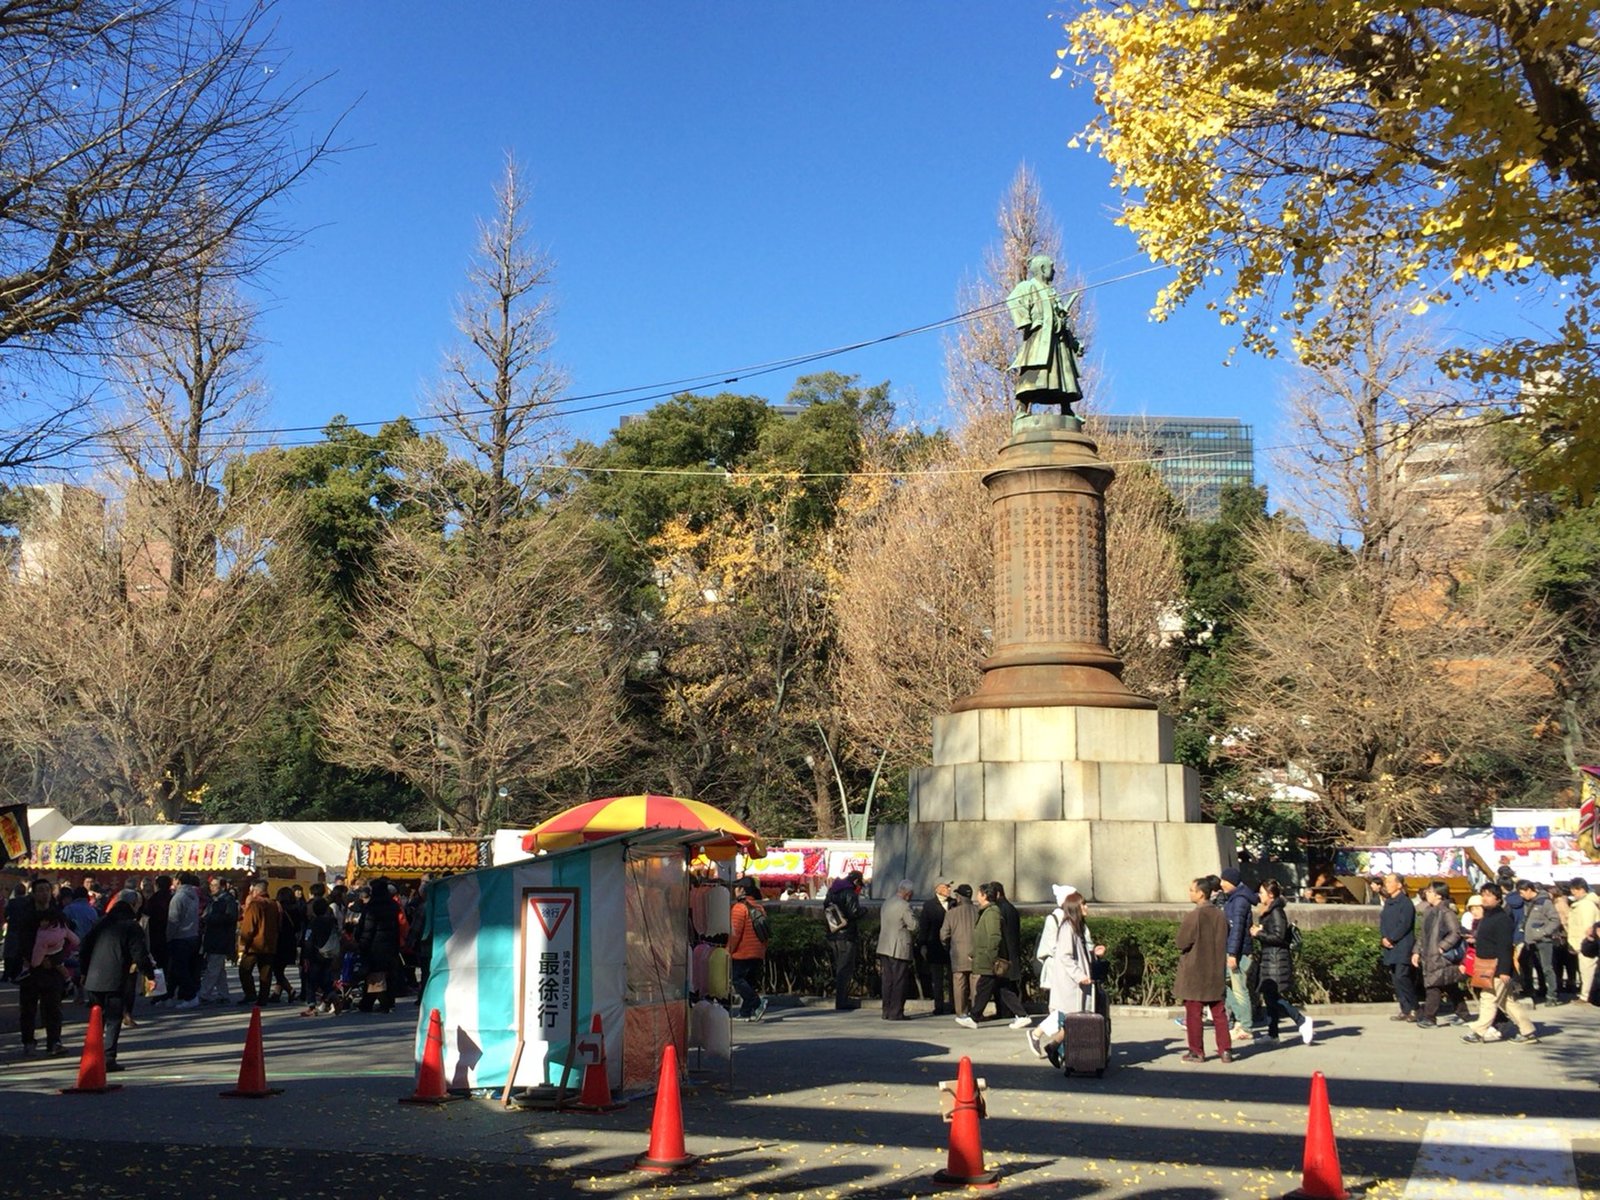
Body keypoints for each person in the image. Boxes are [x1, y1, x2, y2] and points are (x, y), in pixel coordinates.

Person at [78, 889, 157, 1072]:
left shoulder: (101, 922)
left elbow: (85, 948)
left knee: (97, 1019)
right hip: (115, 977)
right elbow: (139, 953)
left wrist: (83, 972)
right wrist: (150, 975)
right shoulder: (131, 926)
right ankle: (108, 1057)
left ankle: (91, 1055)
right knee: (114, 1019)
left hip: (93, 978)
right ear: (133, 905)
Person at [1026, 889, 1103, 1062]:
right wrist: (1079, 975)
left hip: (1076, 983)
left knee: (1073, 1020)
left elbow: (1079, 953)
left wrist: (1094, 953)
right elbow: (1065, 956)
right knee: (1074, 1019)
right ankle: (1059, 1048)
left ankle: (1055, 1047)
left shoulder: (1077, 926)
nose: (1086, 907)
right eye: (1083, 904)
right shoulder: (1067, 927)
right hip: (1070, 984)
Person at [1005, 254, 1083, 415]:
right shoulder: (1028, 286)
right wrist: (1028, 320)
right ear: (1042, 269)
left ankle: (1066, 409)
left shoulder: (1052, 292)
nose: (1054, 271)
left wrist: (1074, 343)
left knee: (1062, 375)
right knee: (1032, 374)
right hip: (1039, 339)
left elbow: (1060, 318)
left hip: (1058, 340)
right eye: (1051, 267)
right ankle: (1022, 408)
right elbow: (1013, 300)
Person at [1461, 883, 1538, 1044]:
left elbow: (1504, 946)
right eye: (1483, 894)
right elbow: (1491, 939)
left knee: (1488, 998)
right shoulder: (1488, 916)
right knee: (1507, 1002)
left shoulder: (1502, 918)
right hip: (1485, 963)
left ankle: (1478, 1031)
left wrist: (1504, 970)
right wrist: (1476, 939)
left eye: (1489, 895)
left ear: (1498, 898)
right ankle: (1528, 1030)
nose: (1485, 898)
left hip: (1496, 966)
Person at [1176, 876, 1234, 1063]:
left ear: (1201, 893)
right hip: (1215, 970)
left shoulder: (1195, 916)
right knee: (1219, 1013)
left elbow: (1182, 942)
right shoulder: (1220, 915)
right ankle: (1225, 1050)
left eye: (1192, 890)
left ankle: (1196, 1051)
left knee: (1193, 1013)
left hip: (1195, 971)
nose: (1190, 893)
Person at [958, 882, 1031, 1029]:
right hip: (987, 957)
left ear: (985, 895)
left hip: (990, 960)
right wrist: (974, 953)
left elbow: (994, 936)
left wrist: (991, 957)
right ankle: (1022, 1015)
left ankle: (974, 1017)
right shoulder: (987, 911)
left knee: (984, 987)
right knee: (1002, 988)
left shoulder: (992, 912)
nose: (977, 896)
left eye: (979, 893)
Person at [1251, 880, 1315, 1044]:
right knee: (1269, 995)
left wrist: (1259, 933)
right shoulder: (1268, 911)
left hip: (1276, 959)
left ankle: (1301, 1020)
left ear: (1270, 895)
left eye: (1262, 892)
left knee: (1273, 998)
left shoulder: (1277, 912)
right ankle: (1273, 1034)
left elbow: (1279, 937)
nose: (1260, 895)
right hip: (1269, 958)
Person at [1412, 880, 1469, 1027]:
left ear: (1439, 895)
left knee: (1433, 985)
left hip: (1440, 955)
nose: (1427, 893)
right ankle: (1463, 1013)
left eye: (1430, 891)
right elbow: (1422, 935)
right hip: (1429, 954)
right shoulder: (1428, 911)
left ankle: (1430, 1018)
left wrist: (1442, 947)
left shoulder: (1446, 912)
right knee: (1449, 985)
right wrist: (1416, 951)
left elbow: (1455, 932)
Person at [24, 906, 76, 1056]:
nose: (44, 893)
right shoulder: (28, 915)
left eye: (46, 890)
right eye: (40, 890)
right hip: (37, 970)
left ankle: (53, 1041)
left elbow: (67, 942)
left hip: (49, 969)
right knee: (30, 1008)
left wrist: (50, 959)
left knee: (52, 1007)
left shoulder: (53, 923)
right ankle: (30, 1040)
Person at [1218, 867, 1259, 1041]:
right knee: (1228, 986)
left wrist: (1232, 953)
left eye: (1223, 881)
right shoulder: (1234, 899)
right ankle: (1240, 1022)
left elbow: (1237, 929)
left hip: (1240, 952)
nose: (1221, 884)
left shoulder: (1240, 901)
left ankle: (1246, 1026)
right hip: (1235, 951)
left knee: (1239, 989)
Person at [876, 880, 919, 1021]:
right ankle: (896, 1012)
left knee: (887, 980)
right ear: (908, 893)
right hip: (898, 947)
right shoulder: (905, 906)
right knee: (899, 980)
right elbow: (913, 925)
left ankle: (886, 1010)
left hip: (884, 945)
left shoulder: (887, 902)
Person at [357, 879, 401, 1013]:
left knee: (374, 975)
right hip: (390, 944)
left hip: (374, 946)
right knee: (386, 974)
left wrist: (362, 943)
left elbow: (367, 929)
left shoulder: (372, 907)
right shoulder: (393, 905)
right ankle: (384, 1001)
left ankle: (379, 1002)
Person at [728, 877, 769, 1022]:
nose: (734, 890)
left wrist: (729, 950)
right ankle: (746, 1012)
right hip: (758, 951)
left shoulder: (739, 908)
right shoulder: (759, 907)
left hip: (743, 952)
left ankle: (758, 1003)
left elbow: (735, 933)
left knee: (737, 979)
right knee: (749, 982)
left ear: (742, 890)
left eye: (737, 887)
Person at [823, 870, 865, 1011]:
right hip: (846, 935)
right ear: (856, 881)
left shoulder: (832, 890)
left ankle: (840, 998)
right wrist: (864, 910)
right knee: (845, 968)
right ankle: (841, 1001)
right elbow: (854, 912)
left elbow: (826, 907)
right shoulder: (850, 892)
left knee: (839, 967)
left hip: (833, 932)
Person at [1379, 873, 1419, 1021]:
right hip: (1390, 946)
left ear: (1399, 885)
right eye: (1386, 882)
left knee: (1403, 976)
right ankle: (1405, 1009)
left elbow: (1405, 924)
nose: (1386, 885)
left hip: (1403, 945)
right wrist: (1384, 937)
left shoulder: (1406, 903)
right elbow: (1383, 923)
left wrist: (1392, 937)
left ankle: (1415, 1007)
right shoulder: (1388, 903)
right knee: (1396, 978)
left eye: (1390, 882)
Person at [237, 879, 280, 1005]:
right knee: (265, 973)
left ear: (256, 890)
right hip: (270, 943)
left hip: (254, 945)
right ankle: (263, 998)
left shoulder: (255, 904)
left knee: (244, 970)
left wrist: (243, 943)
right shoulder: (274, 904)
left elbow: (249, 926)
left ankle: (250, 994)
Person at [162, 873, 201, 1008]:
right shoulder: (194, 895)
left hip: (180, 937)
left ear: (177, 881)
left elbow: (173, 921)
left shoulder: (178, 898)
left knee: (180, 969)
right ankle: (169, 994)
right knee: (180, 968)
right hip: (193, 935)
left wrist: (168, 936)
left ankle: (190, 996)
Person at [1517, 879, 1559, 1004]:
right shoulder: (1528, 903)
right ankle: (1542, 989)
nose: (1521, 895)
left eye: (1522, 892)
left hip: (1543, 941)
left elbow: (1555, 920)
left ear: (1529, 890)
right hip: (1530, 941)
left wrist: (1544, 932)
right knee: (1538, 967)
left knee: (1547, 968)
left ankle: (1552, 995)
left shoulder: (1544, 902)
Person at [917, 881, 955, 1016]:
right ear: (937, 889)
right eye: (946, 886)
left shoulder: (954, 903)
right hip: (935, 946)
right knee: (937, 979)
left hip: (952, 946)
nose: (949, 889)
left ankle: (953, 1005)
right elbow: (924, 927)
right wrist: (922, 944)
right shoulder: (929, 905)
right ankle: (938, 1005)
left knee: (953, 978)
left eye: (949, 886)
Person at [941, 883, 977, 1021]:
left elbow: (944, 935)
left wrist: (947, 945)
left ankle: (961, 1012)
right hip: (975, 953)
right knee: (975, 984)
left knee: (959, 983)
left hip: (958, 953)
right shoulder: (978, 911)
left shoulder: (951, 914)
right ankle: (975, 1012)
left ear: (959, 897)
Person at [199, 877, 238, 1004]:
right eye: (211, 885)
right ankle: (223, 993)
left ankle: (204, 993)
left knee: (213, 968)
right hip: (214, 937)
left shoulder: (227, 900)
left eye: (215, 885)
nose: (212, 887)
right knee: (219, 969)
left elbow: (231, 918)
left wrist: (210, 918)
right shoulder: (214, 900)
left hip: (220, 938)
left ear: (222, 886)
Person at [1566, 877, 1600, 1005]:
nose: (1572, 893)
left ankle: (1586, 996)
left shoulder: (1586, 905)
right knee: (1586, 969)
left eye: (1574, 890)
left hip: (1586, 944)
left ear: (1581, 889)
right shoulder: (1584, 903)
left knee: (1587, 969)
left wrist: (1584, 942)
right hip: (1583, 943)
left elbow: (1587, 926)